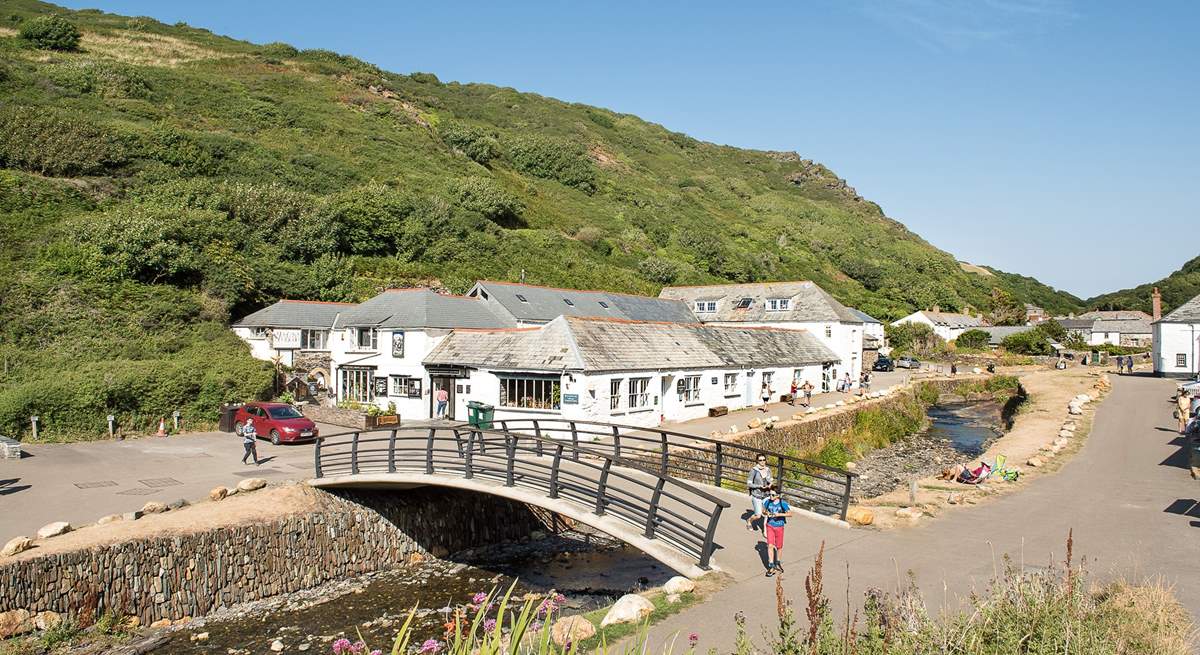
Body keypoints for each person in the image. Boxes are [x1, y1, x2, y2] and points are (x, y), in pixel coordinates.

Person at [762, 485, 791, 577]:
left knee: (779, 546)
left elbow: (790, 514)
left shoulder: (783, 503)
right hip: (770, 526)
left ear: (778, 495)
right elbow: (763, 511)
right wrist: (768, 513)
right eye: (770, 494)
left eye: (773, 495)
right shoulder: (767, 502)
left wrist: (779, 514)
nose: (771, 496)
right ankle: (771, 566)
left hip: (779, 527)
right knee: (770, 545)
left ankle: (777, 561)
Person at [745, 455, 773, 534]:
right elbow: (749, 483)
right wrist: (759, 486)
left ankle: (765, 530)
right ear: (757, 461)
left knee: (767, 513)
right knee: (758, 515)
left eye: (764, 460)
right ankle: (749, 521)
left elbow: (771, 480)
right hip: (757, 495)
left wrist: (769, 485)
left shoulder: (768, 470)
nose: (762, 462)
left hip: (766, 495)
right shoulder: (754, 471)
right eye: (760, 460)